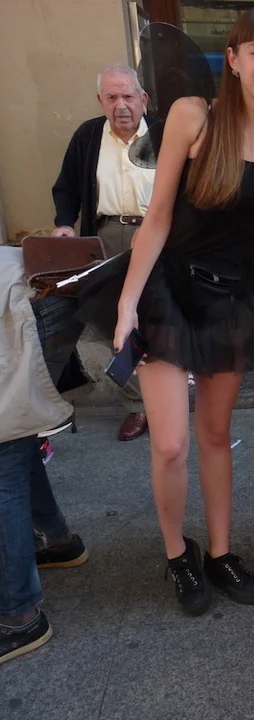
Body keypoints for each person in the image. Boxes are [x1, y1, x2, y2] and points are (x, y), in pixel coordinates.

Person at [76, 7, 254, 616]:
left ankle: (220, 553)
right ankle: (178, 553)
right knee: (171, 444)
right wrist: (127, 303)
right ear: (232, 60)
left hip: (231, 295)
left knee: (214, 434)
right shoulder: (193, 115)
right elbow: (157, 218)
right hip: (169, 287)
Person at [51, 65, 161, 441]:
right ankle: (138, 405)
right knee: (114, 321)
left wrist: (159, 228)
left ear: (143, 99)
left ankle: (167, 397)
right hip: (107, 235)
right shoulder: (88, 136)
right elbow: (67, 187)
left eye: (128, 96)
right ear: (101, 100)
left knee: (160, 317)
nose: (121, 105)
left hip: (158, 235)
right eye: (111, 97)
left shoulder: (164, 134)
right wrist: (64, 223)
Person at [0, 246, 88, 664]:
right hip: (31, 289)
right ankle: (58, 541)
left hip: (24, 299)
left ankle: (19, 616)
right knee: (13, 436)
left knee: (4, 456)